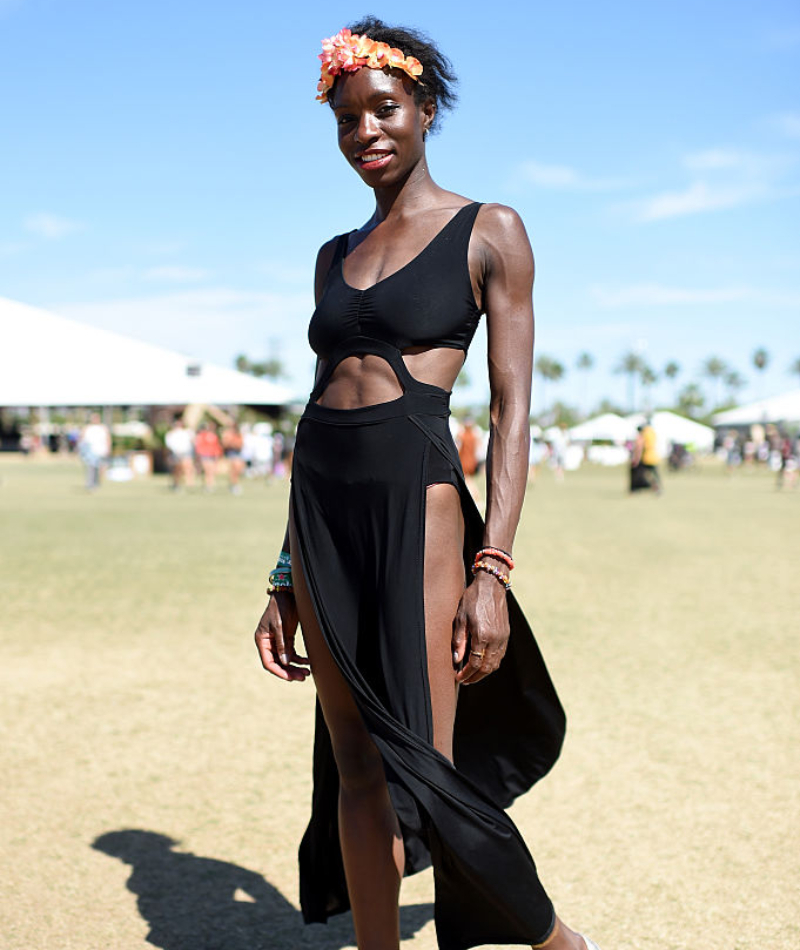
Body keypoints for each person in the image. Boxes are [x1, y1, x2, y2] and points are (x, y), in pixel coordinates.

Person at [253, 19, 600, 950]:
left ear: (425, 110)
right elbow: (319, 406)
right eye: (346, 118)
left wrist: (494, 571)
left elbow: (513, 411)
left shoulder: (490, 229)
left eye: (385, 109)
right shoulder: (333, 254)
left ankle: (559, 942)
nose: (366, 131)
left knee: (429, 768)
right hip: (321, 506)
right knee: (355, 764)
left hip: (423, 504)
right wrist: (285, 575)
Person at [78, 412, 111, 490]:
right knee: (91, 468)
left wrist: (108, 448)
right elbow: (82, 438)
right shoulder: (87, 428)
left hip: (101, 451)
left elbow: (108, 439)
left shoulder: (103, 428)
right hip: (90, 451)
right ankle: (90, 483)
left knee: (99, 468)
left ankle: (96, 482)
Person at [164, 416, 195, 490]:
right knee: (177, 470)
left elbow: (192, 441)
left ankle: (189, 483)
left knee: (188, 467)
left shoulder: (187, 432)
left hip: (186, 452)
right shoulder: (171, 434)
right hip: (176, 453)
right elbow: (169, 444)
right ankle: (176, 483)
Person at [194, 422, 222, 492]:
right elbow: (199, 447)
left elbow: (216, 447)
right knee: (207, 471)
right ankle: (207, 485)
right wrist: (198, 456)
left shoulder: (214, 436)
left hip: (212, 456)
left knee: (211, 471)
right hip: (204, 455)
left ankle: (210, 485)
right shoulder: (201, 436)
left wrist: (217, 456)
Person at [221, 421, 245, 494]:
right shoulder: (227, 434)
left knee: (238, 470)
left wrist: (234, 443)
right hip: (230, 453)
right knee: (233, 470)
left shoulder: (238, 434)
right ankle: (233, 485)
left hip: (237, 453)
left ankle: (235, 484)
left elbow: (240, 444)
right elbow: (225, 444)